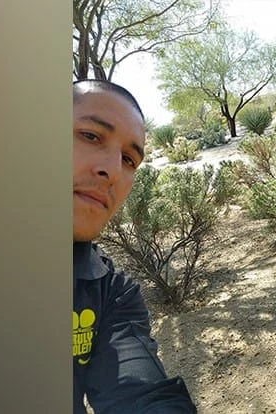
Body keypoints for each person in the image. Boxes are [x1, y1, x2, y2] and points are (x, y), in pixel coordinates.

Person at [72, 79, 197, 414]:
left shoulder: (111, 294)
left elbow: (141, 395)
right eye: (90, 135)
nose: (112, 171)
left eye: (128, 159)